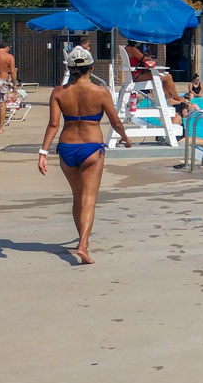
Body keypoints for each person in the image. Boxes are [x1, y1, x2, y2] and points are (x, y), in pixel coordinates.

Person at [37, 47, 132, 265]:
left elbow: (53, 124)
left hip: (67, 148)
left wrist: (43, 152)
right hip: (91, 148)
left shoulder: (59, 92)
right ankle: (83, 244)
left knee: (77, 197)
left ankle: (81, 239)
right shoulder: (100, 92)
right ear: (91, 67)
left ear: (70, 68)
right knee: (89, 200)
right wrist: (125, 138)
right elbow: (115, 121)